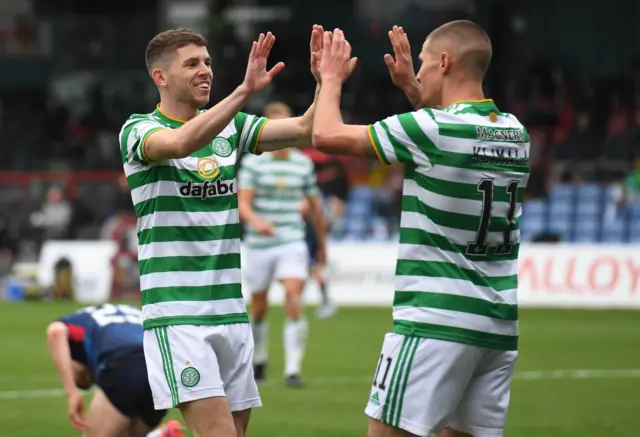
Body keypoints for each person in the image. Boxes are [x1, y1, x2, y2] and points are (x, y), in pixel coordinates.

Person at [118, 25, 340, 437]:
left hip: (230, 312)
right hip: (178, 314)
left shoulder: (230, 127)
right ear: (160, 77)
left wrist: (326, 82)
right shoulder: (138, 130)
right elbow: (180, 143)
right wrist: (243, 91)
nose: (205, 71)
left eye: (207, 62)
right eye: (192, 64)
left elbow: (306, 129)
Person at [312, 22, 530, 437]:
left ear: (445, 62)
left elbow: (326, 134)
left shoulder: (431, 128)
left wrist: (329, 79)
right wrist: (415, 90)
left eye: (426, 63)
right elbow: (449, 138)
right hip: (496, 325)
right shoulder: (514, 131)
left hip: (435, 320)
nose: (420, 71)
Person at [237, 101, 327, 388]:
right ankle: (260, 359)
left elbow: (315, 207)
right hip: (260, 244)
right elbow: (243, 204)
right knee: (260, 306)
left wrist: (322, 244)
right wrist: (257, 222)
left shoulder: (303, 164)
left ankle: (292, 370)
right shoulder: (253, 162)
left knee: (292, 295)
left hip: (291, 240)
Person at [45, 303, 183, 437]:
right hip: (161, 370)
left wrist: (72, 392)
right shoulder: (134, 313)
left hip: (125, 364)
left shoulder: (77, 320)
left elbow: (56, 331)